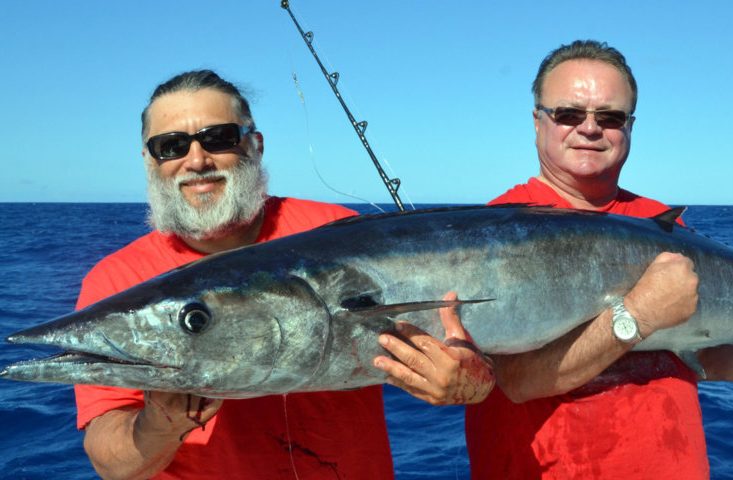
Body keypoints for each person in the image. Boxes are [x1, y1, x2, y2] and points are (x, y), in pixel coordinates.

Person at [464, 40, 733, 479]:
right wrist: (638, 315)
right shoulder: (490, 236)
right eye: (569, 114)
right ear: (537, 122)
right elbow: (516, 381)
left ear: (630, 127)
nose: (589, 129)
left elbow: (711, 358)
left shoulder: (660, 224)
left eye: (609, 117)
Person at [76, 69, 494, 480]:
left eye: (219, 138)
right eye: (171, 146)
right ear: (150, 161)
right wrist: (159, 425)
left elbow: (464, 340)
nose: (197, 160)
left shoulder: (336, 232)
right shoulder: (116, 280)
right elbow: (111, 463)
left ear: (255, 145)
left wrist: (469, 379)